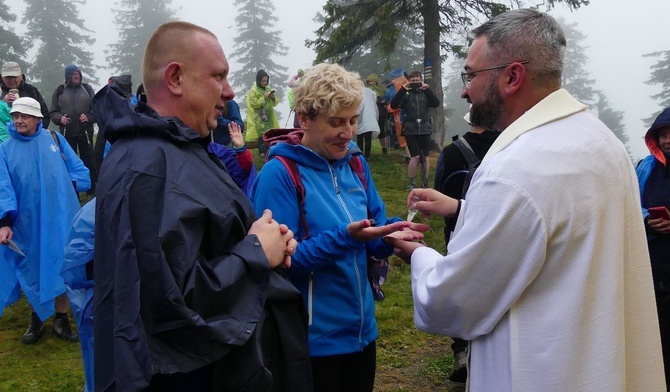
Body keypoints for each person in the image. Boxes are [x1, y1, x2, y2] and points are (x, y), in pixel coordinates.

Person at [386, 9, 666, 392]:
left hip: (544, 373)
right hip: (600, 366)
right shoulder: (602, 142)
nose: (465, 90)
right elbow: (562, 226)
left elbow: (456, 302)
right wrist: (463, 209)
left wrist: (417, 255)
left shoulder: (515, 169)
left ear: (512, 76)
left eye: (470, 74)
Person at [93, 21, 312, 392]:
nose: (228, 91)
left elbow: (201, 246)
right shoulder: (147, 166)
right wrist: (256, 253)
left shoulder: (183, 148)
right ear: (176, 78)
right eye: (218, 76)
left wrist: (267, 242)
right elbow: (170, 305)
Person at [250, 63, 428, 392]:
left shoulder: (356, 163)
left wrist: (391, 234)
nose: (347, 132)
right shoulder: (280, 174)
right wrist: (345, 239)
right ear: (304, 119)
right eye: (336, 122)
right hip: (311, 344)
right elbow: (280, 265)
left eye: (352, 120)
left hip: (362, 334)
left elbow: (371, 234)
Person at [0, 97, 90, 345]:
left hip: (60, 217)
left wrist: (66, 190)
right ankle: (38, 316)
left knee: (61, 264)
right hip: (26, 222)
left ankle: (62, 318)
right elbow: (2, 187)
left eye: (25, 116)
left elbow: (79, 170)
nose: (19, 120)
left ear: (38, 119)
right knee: (33, 265)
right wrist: (4, 222)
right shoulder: (5, 150)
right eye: (16, 115)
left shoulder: (55, 140)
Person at [432, 110, 499, 383]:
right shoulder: (507, 148)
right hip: (497, 229)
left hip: (459, 231)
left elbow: (439, 192)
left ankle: (461, 349)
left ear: (469, 121)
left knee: (460, 287)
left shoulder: (452, 152)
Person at [636, 107, 670, 387]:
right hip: (654, 270)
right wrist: (647, 218)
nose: (667, 140)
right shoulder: (645, 167)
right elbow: (631, 205)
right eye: (662, 134)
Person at [50, 64, 97, 195]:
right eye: (73, 74)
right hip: (66, 134)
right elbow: (53, 112)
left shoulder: (87, 89)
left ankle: (91, 191)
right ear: (67, 76)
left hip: (85, 133)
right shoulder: (60, 90)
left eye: (78, 74)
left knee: (89, 162)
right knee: (68, 163)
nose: (77, 76)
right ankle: (72, 193)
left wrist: (88, 117)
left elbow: (97, 111)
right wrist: (60, 119)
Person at [390, 70, 440, 190]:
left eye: (417, 80)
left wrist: (427, 90)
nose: (415, 83)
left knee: (425, 157)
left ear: (421, 80)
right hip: (410, 129)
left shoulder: (425, 93)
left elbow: (435, 103)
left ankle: (425, 181)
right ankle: (411, 182)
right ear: (409, 81)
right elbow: (393, 105)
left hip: (425, 128)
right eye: (413, 81)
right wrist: (403, 89)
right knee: (415, 157)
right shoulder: (406, 94)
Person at [0, 61, 51, 128]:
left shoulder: (31, 90)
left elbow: (44, 115)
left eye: (14, 77)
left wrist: (37, 133)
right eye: (8, 77)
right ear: (2, 77)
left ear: (21, 76)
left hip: (30, 135)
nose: (12, 80)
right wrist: (2, 103)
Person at [245, 69, 279, 157]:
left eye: (266, 81)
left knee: (270, 133)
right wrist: (263, 98)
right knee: (261, 135)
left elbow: (275, 103)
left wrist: (273, 98)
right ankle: (262, 153)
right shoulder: (253, 91)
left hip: (270, 116)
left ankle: (271, 152)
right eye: (263, 81)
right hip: (259, 117)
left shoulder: (268, 88)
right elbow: (254, 104)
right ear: (258, 80)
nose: (265, 83)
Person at [365, 73, 388, 155]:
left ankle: (384, 147)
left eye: (373, 81)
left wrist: (381, 100)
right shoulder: (366, 90)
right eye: (369, 81)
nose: (371, 83)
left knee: (381, 129)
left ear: (376, 82)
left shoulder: (380, 90)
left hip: (380, 110)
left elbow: (385, 98)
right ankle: (367, 149)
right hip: (370, 111)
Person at [356, 86, 380, 159]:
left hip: (365, 118)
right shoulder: (369, 93)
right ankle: (366, 155)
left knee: (361, 137)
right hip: (369, 118)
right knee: (366, 137)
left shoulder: (360, 92)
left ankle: (362, 154)